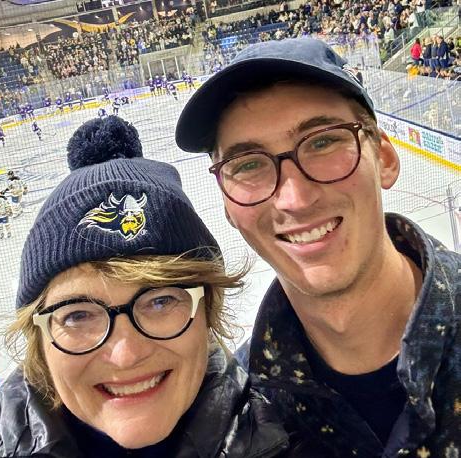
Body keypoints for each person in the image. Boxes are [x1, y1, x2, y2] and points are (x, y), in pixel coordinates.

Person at [0, 116, 297, 457]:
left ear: (208, 311)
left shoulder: (297, 438)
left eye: (160, 301)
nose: (126, 355)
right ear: (40, 340)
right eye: (77, 315)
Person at [176, 38, 461, 457]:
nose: (294, 199)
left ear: (384, 158)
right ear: (228, 207)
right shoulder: (235, 422)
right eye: (248, 164)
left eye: (323, 142)